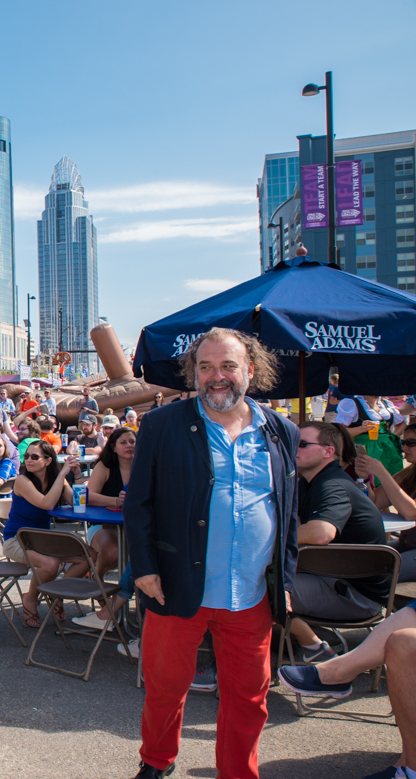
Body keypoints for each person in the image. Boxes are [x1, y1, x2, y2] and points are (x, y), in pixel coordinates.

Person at [123, 327, 298, 779]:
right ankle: (157, 761)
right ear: (193, 373)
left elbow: (290, 514)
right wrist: (143, 567)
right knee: (165, 688)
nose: (216, 377)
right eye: (205, 367)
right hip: (175, 585)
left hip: (251, 593)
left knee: (249, 696)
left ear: (250, 371)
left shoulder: (281, 431)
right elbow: (138, 502)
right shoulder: (163, 425)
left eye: (227, 366)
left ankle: (238, 772)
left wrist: (288, 583)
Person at [277, 602, 416, 779]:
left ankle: (336, 667)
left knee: (271, 592)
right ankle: (410, 767)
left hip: (358, 595)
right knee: (403, 642)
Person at [287, 421, 389, 660]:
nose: (294, 450)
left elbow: (321, 532)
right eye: (292, 443)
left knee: (253, 589)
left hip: (357, 596)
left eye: (301, 444)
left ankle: (315, 648)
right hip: (333, 580)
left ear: (328, 451)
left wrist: (267, 539)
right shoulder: (310, 482)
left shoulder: (332, 485)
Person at [0, 439, 80, 627]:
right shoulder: (22, 480)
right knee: (50, 565)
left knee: (88, 557)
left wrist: (75, 475)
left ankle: (56, 593)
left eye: (35, 457)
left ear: (48, 460)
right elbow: (46, 503)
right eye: (26, 456)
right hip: (17, 539)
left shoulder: (55, 480)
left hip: (44, 540)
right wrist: (62, 475)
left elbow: (77, 503)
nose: (28, 460)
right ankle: (31, 598)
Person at [358, 422, 416, 580]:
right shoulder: (409, 473)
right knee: (356, 562)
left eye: (411, 443)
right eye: (402, 442)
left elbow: (412, 513)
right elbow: (375, 502)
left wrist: (381, 472)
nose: (404, 448)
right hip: (407, 543)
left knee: (376, 574)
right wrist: (364, 478)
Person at [84, 425, 137, 578]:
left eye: (132, 442)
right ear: (113, 448)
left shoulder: (144, 467)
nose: (129, 446)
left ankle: (127, 596)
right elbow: (90, 496)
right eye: (124, 442)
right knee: (113, 552)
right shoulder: (104, 466)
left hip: (136, 525)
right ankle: (97, 579)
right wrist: (116, 501)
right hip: (103, 524)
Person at [335, 393, 406, 478]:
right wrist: (361, 429)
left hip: (388, 451)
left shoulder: (387, 404)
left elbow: (402, 424)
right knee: (367, 479)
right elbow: (338, 431)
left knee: (391, 479)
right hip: (363, 450)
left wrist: (391, 437)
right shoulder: (351, 404)